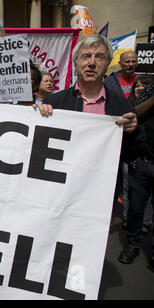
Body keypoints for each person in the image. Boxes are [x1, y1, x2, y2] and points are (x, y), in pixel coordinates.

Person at [36, 34, 141, 243]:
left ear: (108, 64)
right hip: (59, 193)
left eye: (99, 57)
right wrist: (38, 119)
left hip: (99, 195)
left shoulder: (121, 106)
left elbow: (131, 156)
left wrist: (133, 132)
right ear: (76, 63)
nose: (91, 62)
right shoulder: (54, 102)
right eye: (86, 56)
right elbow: (36, 150)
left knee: (89, 247)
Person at [118, 78, 154, 271]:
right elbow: (134, 114)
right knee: (135, 207)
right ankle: (133, 245)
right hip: (142, 162)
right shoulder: (149, 91)